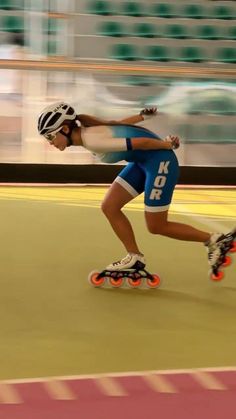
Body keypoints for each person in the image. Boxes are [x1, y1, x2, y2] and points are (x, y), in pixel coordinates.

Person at [38, 102, 235, 278]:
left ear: (64, 128)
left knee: (156, 226)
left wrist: (167, 145)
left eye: (50, 136)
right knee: (110, 206)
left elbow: (141, 143)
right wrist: (142, 117)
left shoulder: (92, 139)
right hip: (142, 162)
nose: (50, 142)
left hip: (160, 162)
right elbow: (117, 125)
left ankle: (215, 240)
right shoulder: (90, 132)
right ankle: (134, 258)